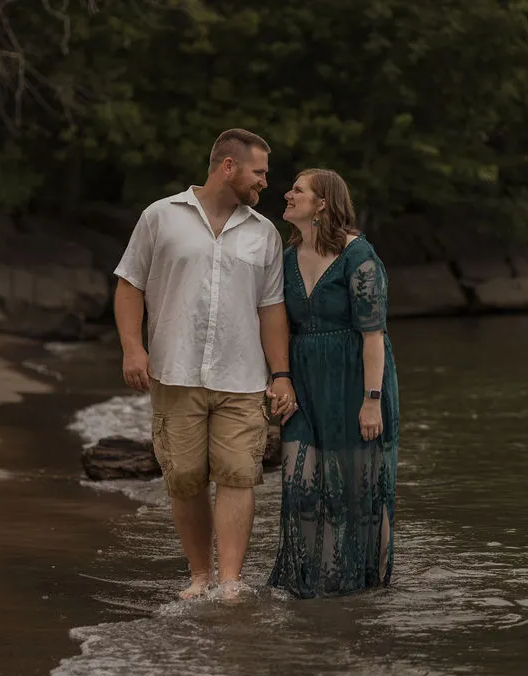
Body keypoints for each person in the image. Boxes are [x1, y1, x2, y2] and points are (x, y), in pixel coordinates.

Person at [113, 129, 298, 600]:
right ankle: (200, 576)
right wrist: (133, 349)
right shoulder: (160, 216)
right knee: (186, 478)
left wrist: (281, 375)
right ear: (228, 167)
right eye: (259, 173)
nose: (265, 184)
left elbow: (271, 308)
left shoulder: (265, 233)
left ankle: (230, 581)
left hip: (242, 376)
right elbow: (129, 284)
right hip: (174, 371)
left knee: (239, 475)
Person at [267, 168, 399, 598]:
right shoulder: (285, 257)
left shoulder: (358, 255)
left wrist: (372, 400)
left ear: (323, 203)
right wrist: (278, 377)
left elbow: (373, 334)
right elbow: (277, 324)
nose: (287, 193)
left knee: (358, 490)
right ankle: (311, 584)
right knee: (300, 481)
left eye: (298, 190)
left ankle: (368, 589)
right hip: (303, 380)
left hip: (354, 379)